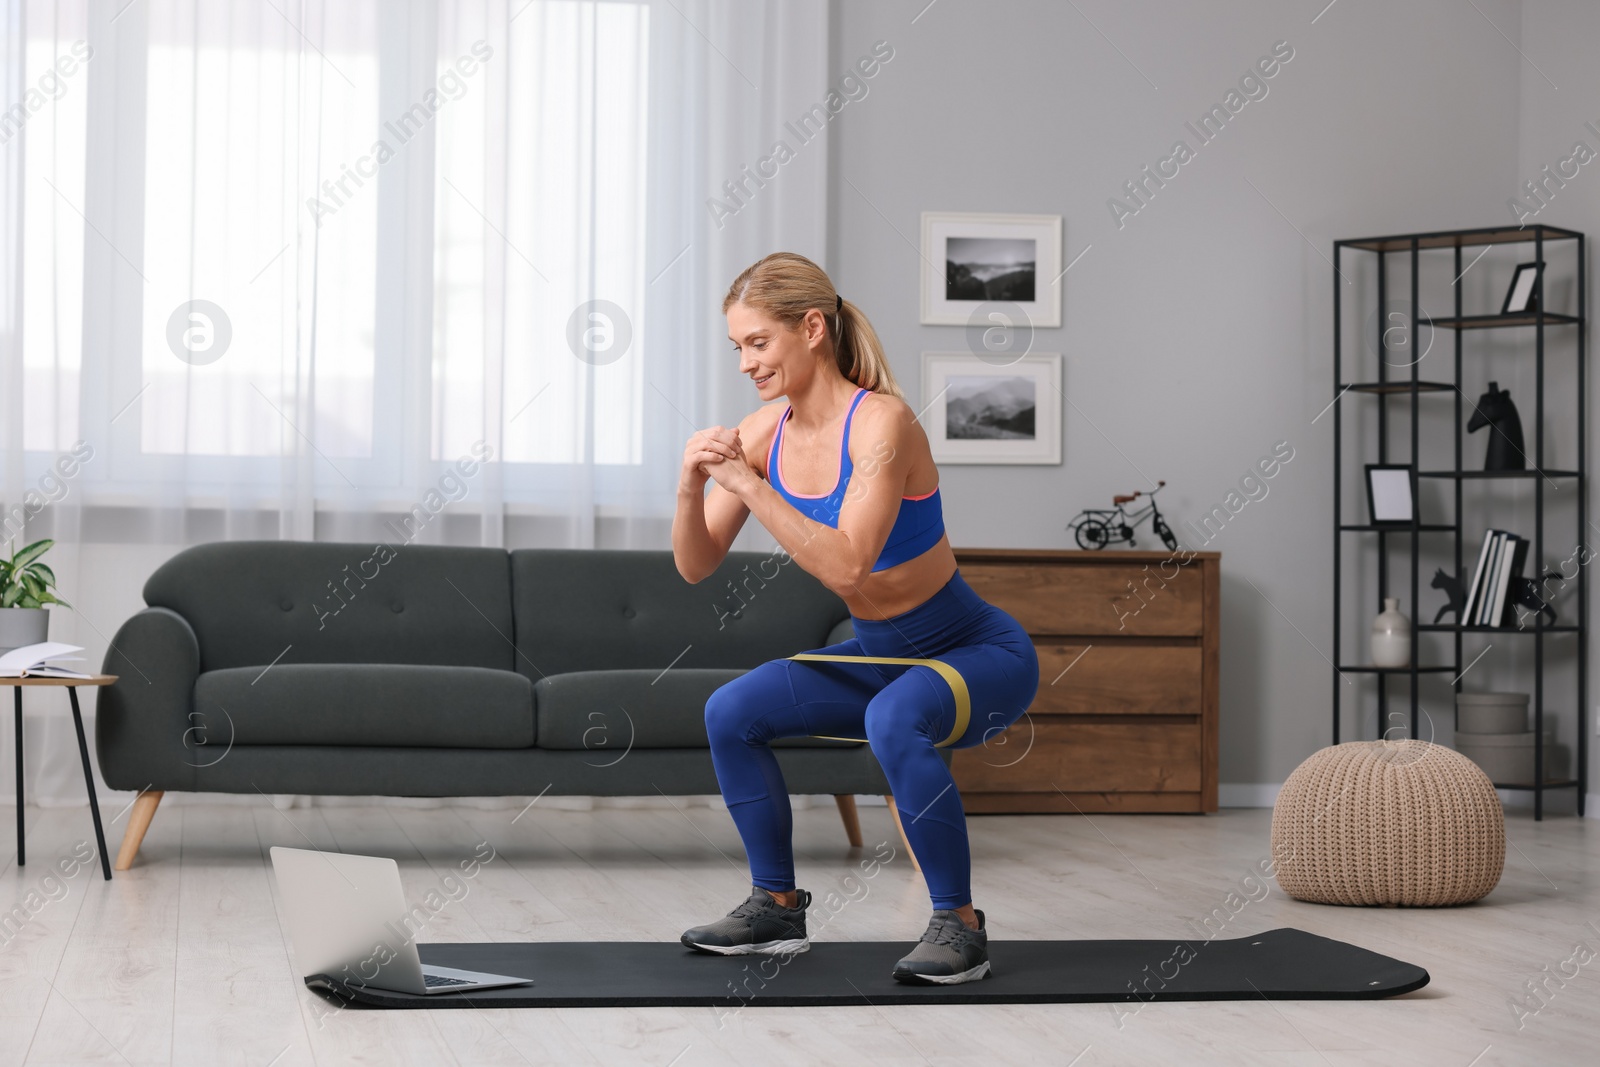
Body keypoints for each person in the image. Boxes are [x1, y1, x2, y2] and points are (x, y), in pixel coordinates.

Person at [670, 251, 1040, 985]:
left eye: (758, 342)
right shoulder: (765, 433)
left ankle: (959, 925)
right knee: (730, 709)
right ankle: (775, 905)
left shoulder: (883, 424)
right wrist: (690, 484)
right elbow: (695, 562)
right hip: (882, 657)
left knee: (893, 718)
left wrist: (746, 479)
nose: (745, 362)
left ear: (811, 328)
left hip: (975, 651)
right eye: (737, 346)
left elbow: (846, 566)